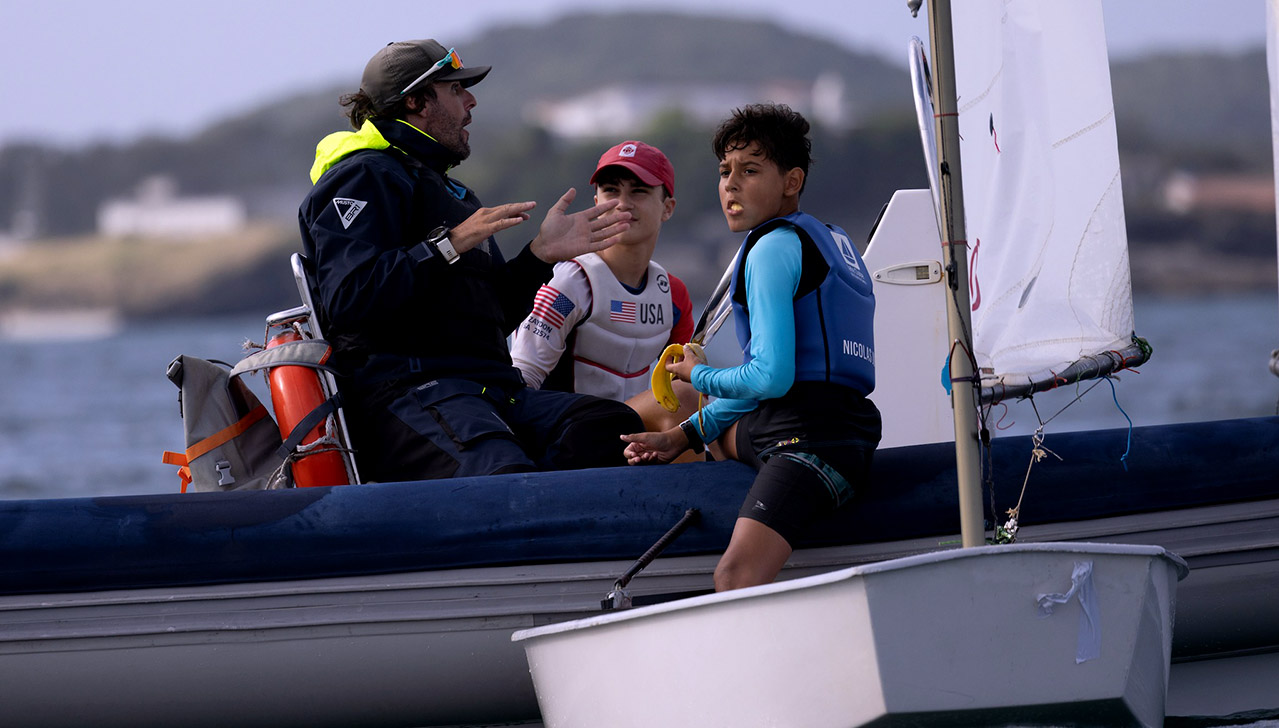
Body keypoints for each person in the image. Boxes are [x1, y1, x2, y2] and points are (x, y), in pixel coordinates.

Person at [298, 39, 642, 483]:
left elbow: (492, 314)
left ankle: (547, 519)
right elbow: (350, 297)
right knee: (506, 476)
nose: (471, 100)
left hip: (493, 391)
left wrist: (540, 255)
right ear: (417, 101)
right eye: (456, 89)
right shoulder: (364, 176)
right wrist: (449, 245)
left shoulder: (449, 193)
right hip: (410, 394)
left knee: (614, 430)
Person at [621, 103, 882, 591]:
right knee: (702, 431)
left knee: (734, 576)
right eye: (725, 172)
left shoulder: (770, 250)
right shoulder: (829, 241)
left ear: (791, 181)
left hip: (808, 443)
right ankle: (682, 445)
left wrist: (697, 374)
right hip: (830, 424)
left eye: (751, 170)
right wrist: (682, 437)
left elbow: (770, 377)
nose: (731, 185)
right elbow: (782, 385)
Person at [509, 140, 699, 433]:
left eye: (639, 191)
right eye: (611, 191)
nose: (623, 203)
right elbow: (520, 382)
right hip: (564, 438)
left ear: (668, 208)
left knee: (699, 399)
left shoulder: (673, 294)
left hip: (633, 441)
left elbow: (681, 387)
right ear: (597, 203)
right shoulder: (568, 284)